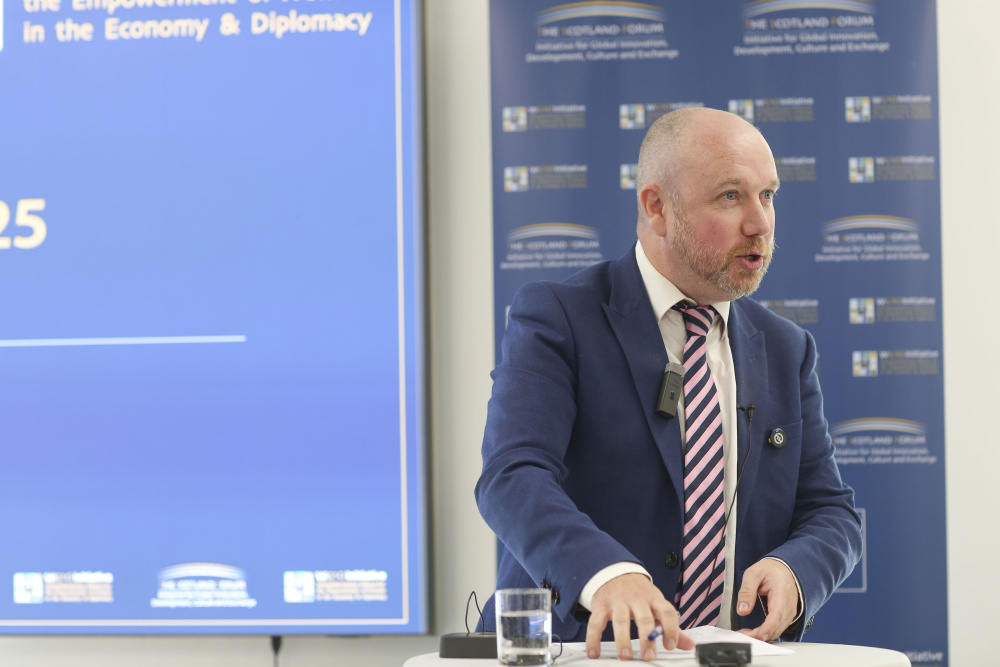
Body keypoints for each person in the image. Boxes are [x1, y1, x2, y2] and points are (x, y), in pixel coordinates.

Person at [475, 107, 863, 661]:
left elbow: (830, 511)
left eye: (768, 195)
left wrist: (794, 569)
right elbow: (512, 475)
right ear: (657, 207)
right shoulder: (559, 318)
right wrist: (606, 573)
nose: (760, 223)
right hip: (578, 653)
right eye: (731, 196)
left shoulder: (786, 348)